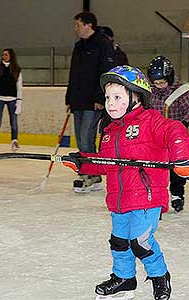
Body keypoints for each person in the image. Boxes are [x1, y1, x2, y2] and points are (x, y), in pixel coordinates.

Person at [62, 65, 189, 300]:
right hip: (119, 200)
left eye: (117, 97)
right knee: (119, 242)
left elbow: (175, 130)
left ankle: (160, 276)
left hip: (146, 198)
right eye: (108, 97)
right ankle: (124, 279)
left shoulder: (151, 120)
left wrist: (181, 158)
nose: (110, 103)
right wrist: (83, 163)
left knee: (140, 243)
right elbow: (106, 163)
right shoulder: (111, 131)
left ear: (136, 97)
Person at [65, 12, 115, 193]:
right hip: (78, 100)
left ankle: (89, 174)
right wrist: (69, 98)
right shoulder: (78, 46)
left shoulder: (102, 44)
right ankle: (92, 173)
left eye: (78, 24)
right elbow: (74, 74)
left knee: (87, 138)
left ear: (89, 25)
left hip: (93, 101)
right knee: (81, 139)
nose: (76, 28)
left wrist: (101, 98)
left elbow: (106, 72)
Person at [147, 55, 189, 212]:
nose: (159, 86)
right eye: (156, 83)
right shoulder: (152, 92)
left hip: (174, 138)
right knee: (156, 168)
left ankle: (177, 194)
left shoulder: (180, 91)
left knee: (176, 167)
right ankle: (156, 196)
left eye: (162, 82)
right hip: (155, 137)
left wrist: (182, 125)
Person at [0, 48, 23, 153]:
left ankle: (14, 141)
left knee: (14, 122)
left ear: (11, 56)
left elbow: (19, 86)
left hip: (12, 99)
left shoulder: (17, 69)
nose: (4, 56)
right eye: (3, 55)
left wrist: (19, 100)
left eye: (6, 55)